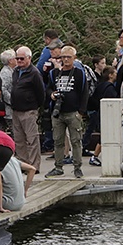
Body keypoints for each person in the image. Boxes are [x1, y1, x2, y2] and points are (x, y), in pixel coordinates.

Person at [46, 46, 88, 178]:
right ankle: (58, 166)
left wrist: (81, 112)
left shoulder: (79, 73)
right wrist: (52, 94)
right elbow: (47, 88)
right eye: (63, 57)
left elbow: (85, 92)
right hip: (58, 113)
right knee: (57, 140)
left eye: (68, 57)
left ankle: (77, 167)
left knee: (76, 141)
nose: (65, 59)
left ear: (74, 58)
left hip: (73, 112)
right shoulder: (54, 73)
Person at [11, 46, 46, 171]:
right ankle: (22, 164)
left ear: (29, 58)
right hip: (16, 110)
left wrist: (35, 107)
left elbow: (41, 93)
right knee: (19, 139)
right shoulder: (15, 71)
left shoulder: (34, 73)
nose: (19, 61)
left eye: (22, 58)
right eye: (17, 58)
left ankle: (34, 166)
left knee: (31, 139)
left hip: (29, 110)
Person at [87, 65, 118, 167]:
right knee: (105, 136)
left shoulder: (100, 86)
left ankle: (95, 156)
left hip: (99, 112)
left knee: (103, 135)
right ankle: (95, 156)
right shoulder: (110, 88)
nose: (116, 75)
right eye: (115, 73)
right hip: (108, 114)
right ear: (110, 75)